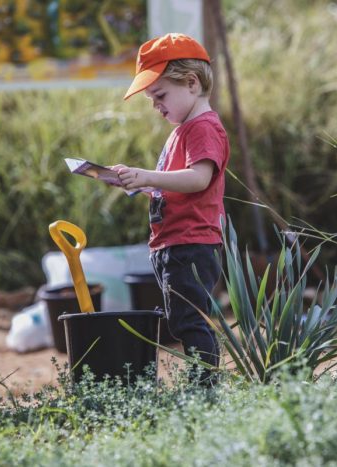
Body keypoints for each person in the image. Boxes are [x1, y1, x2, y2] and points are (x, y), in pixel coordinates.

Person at [115, 33, 229, 382]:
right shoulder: (183, 129)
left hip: (191, 243)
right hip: (174, 242)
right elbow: (178, 187)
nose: (155, 105)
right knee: (182, 319)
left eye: (160, 95)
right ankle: (200, 384)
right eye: (152, 98)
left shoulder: (203, 128)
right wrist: (142, 183)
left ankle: (203, 387)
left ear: (192, 83)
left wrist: (148, 175)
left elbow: (198, 179)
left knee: (191, 320)